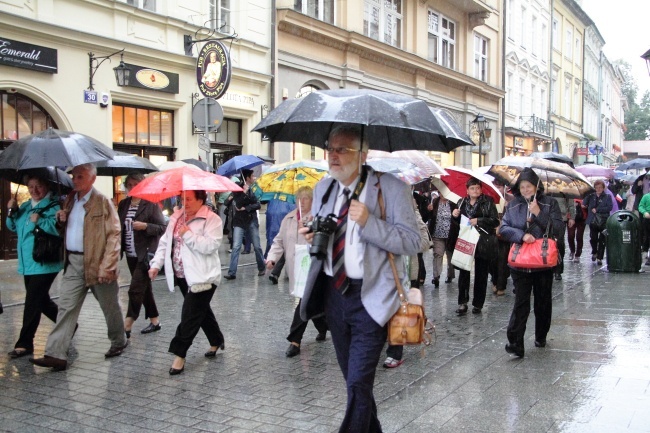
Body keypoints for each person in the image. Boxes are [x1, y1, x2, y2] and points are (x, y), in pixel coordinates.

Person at [299, 124, 421, 433]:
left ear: (363, 155)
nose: (333, 155)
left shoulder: (391, 188)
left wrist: (370, 222)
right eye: (330, 149)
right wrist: (313, 231)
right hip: (334, 295)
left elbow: (414, 241)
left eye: (342, 149)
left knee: (357, 381)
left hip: (374, 298)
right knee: (357, 386)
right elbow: (327, 231)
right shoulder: (324, 187)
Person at [30, 164, 126, 372]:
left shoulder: (102, 201)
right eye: (74, 176)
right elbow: (69, 230)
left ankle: (119, 340)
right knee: (66, 307)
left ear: (92, 179)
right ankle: (55, 354)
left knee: (110, 307)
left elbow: (114, 234)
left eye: (80, 176)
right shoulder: (70, 200)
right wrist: (60, 220)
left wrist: (108, 265)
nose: (75, 180)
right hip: (73, 262)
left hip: (98, 262)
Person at [148, 190, 224, 375]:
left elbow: (211, 246)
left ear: (200, 199)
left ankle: (179, 355)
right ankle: (216, 339)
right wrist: (156, 264)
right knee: (201, 311)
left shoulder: (212, 219)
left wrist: (188, 235)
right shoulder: (176, 216)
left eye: (189, 199)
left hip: (204, 276)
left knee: (189, 315)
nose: (185, 203)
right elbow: (165, 243)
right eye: (182, 199)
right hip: (181, 275)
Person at [500, 168, 563, 357]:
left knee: (543, 301)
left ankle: (541, 335)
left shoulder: (550, 203)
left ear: (536, 186)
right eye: (523, 187)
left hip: (543, 262)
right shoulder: (512, 205)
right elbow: (504, 228)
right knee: (521, 303)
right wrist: (521, 235)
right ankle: (515, 343)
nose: (526, 190)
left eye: (529, 186)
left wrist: (539, 213)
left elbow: (558, 230)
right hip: (520, 263)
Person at [266, 187, 328, 357]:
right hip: (296, 270)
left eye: (306, 198)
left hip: (313, 268)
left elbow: (324, 242)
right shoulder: (289, 218)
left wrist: (309, 231)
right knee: (310, 301)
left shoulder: (318, 218)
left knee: (304, 301)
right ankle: (324, 326)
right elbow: (279, 241)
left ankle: (295, 340)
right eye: (299, 198)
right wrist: (272, 258)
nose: (302, 202)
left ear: (312, 201)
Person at [6, 175, 63, 358]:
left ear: (46, 186)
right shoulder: (24, 206)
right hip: (28, 263)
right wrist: (11, 211)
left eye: (38, 186)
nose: (34, 190)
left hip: (45, 262)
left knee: (32, 302)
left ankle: (24, 343)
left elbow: (58, 228)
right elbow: (13, 227)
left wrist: (40, 220)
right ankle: (67, 323)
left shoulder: (54, 206)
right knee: (41, 300)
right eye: (31, 187)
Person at [118, 173, 166, 338]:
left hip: (146, 253)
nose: (131, 188)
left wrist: (145, 226)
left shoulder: (150, 204)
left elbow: (162, 227)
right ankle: (155, 321)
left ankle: (128, 323)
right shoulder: (124, 204)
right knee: (145, 289)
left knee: (135, 289)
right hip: (131, 253)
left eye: (135, 184)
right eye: (129, 184)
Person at [451, 178, 499, 315]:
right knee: (463, 272)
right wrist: (454, 216)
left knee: (481, 274)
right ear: (467, 190)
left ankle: (478, 304)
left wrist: (479, 220)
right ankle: (462, 302)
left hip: (482, 241)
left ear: (481, 189)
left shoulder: (488, 201)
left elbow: (495, 220)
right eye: (472, 188)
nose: (475, 191)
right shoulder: (461, 202)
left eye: (477, 188)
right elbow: (456, 224)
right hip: (466, 240)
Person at [224, 169, 266, 280]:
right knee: (236, 246)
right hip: (239, 221)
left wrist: (247, 207)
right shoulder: (238, 187)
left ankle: (262, 267)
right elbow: (237, 203)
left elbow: (257, 204)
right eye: (252, 176)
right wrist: (243, 193)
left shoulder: (254, 188)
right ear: (247, 177)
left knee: (257, 246)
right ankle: (232, 272)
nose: (254, 178)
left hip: (251, 220)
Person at [427, 193, 458, 288]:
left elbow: (458, 219)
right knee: (438, 254)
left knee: (450, 257)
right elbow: (430, 217)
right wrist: (429, 210)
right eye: (440, 192)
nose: (443, 194)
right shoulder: (435, 202)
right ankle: (436, 276)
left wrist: (456, 215)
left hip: (450, 235)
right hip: (437, 235)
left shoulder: (453, 203)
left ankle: (450, 275)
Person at [489, 179, 514, 295]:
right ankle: (495, 281)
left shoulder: (510, 199)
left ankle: (501, 286)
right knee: (492, 260)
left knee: (503, 259)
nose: (497, 189)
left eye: (499, 187)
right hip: (491, 233)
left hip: (505, 234)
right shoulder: (490, 199)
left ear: (505, 188)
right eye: (495, 186)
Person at [583, 180, 613, 266]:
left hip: (603, 221)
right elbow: (584, 203)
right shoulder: (591, 196)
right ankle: (594, 252)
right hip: (593, 221)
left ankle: (600, 257)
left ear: (603, 188)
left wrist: (598, 210)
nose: (598, 189)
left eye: (600, 187)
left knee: (602, 240)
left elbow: (609, 207)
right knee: (593, 239)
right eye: (596, 187)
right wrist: (587, 194)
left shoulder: (607, 196)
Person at [552, 195, 576, 281]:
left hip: (561, 218)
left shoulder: (564, 185)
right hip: (546, 218)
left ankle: (558, 270)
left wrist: (572, 217)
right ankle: (548, 267)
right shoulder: (543, 185)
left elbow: (571, 204)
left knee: (559, 244)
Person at [632, 168, 650, 251]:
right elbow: (633, 191)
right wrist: (638, 185)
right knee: (643, 226)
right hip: (643, 204)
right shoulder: (640, 178)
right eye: (647, 169)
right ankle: (644, 245)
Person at [637, 191, 650, 264]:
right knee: (647, 237)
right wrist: (645, 212)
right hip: (647, 219)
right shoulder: (646, 196)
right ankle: (646, 253)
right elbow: (640, 206)